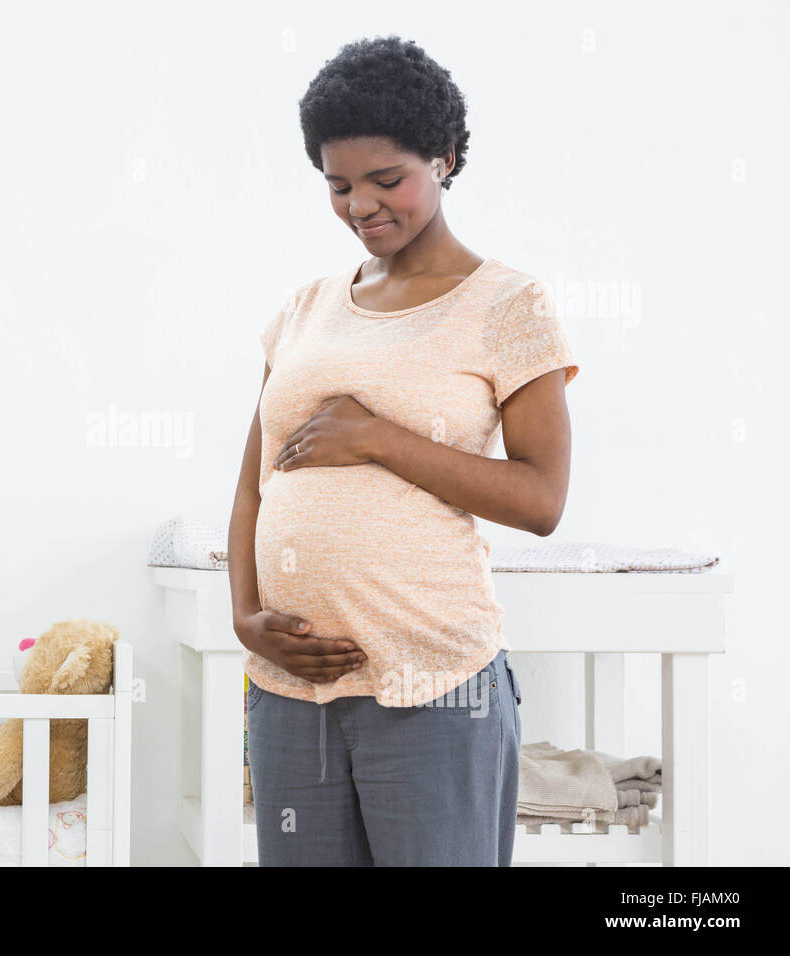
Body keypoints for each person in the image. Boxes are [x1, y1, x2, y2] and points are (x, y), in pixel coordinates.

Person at [227, 35, 580, 866]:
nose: (361, 206)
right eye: (338, 185)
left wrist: (378, 438)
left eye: (387, 180)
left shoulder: (509, 304)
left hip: (434, 687)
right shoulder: (304, 309)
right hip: (291, 689)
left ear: (445, 157)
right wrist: (246, 620)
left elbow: (541, 501)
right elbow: (253, 489)